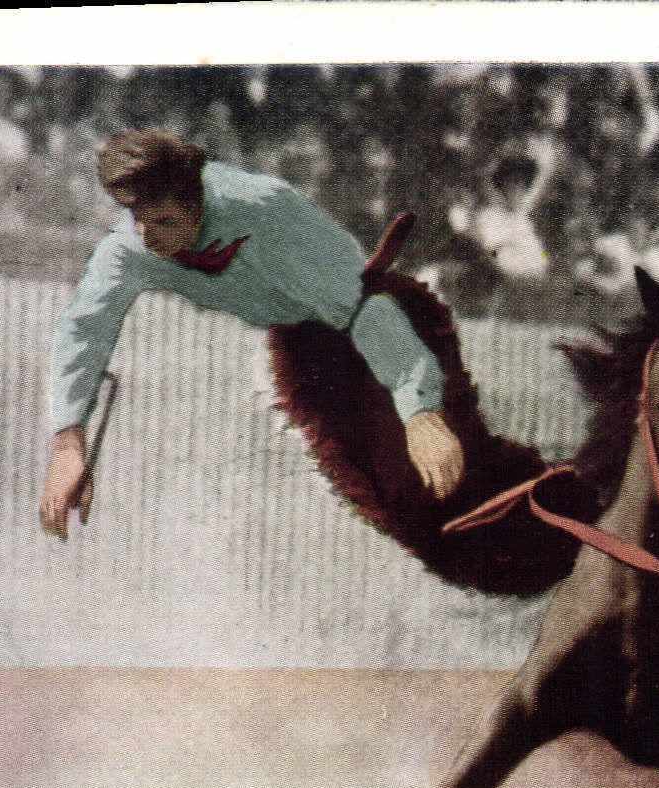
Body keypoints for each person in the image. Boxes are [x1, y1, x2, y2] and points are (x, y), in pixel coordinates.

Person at [39, 128, 465, 540]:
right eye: (137, 219)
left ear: (199, 202)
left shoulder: (265, 211)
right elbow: (84, 325)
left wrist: (420, 411)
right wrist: (68, 438)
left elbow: (362, 306)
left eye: (165, 221)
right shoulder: (135, 243)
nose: (147, 237)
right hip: (287, 343)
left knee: (422, 461)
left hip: (366, 327)